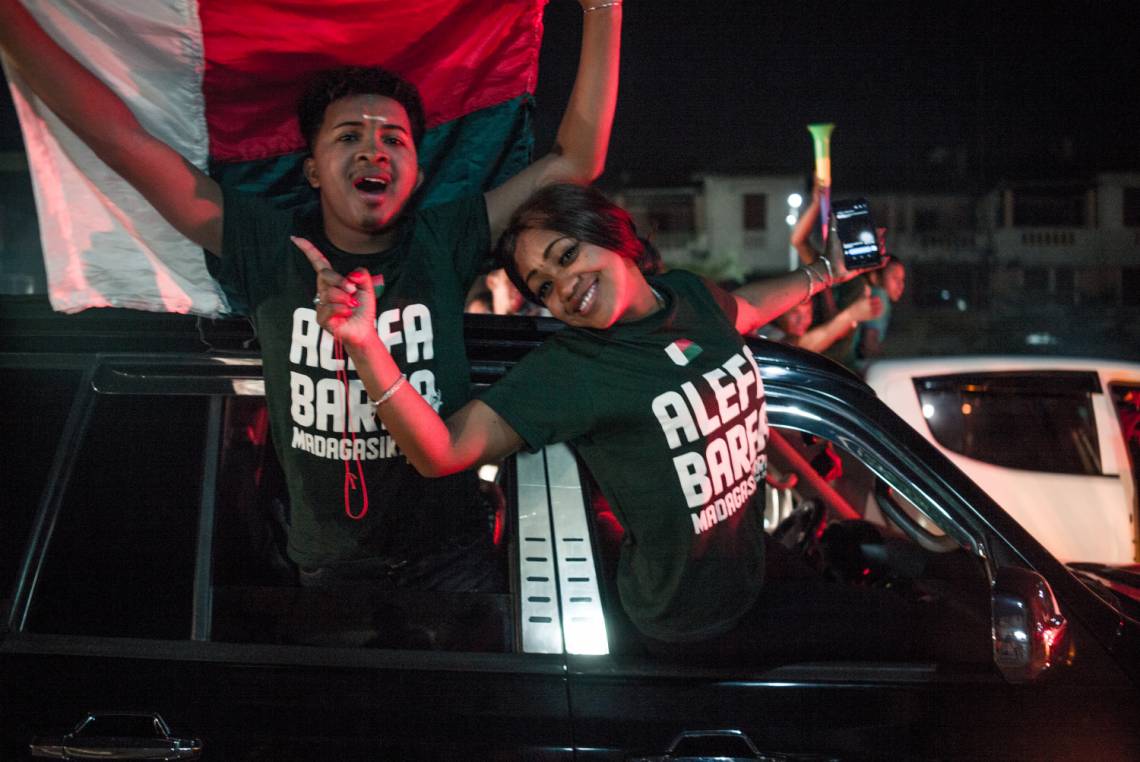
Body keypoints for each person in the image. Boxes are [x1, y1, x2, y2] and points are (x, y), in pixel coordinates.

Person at [0, 0, 622, 589]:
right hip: (321, 575)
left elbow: (575, 162)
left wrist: (603, 10)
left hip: (453, 562)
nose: (373, 148)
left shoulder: (444, 239)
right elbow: (120, 140)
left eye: (395, 139)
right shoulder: (266, 245)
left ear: (419, 173)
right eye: (348, 136)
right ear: (314, 169)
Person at [295, 183, 900, 655]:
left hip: (754, 573)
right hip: (682, 627)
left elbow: (742, 310)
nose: (565, 287)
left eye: (566, 255)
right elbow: (441, 450)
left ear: (614, 234)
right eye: (545, 285)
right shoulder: (571, 368)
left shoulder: (688, 297)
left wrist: (828, 271)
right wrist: (364, 345)